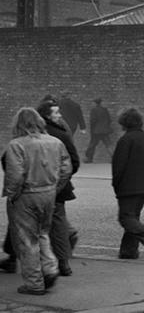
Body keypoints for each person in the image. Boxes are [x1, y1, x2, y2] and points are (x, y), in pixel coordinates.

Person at [2, 107, 71, 296]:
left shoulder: (17, 144)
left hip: (26, 195)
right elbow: (66, 169)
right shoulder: (55, 142)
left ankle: (34, 283)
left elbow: (15, 175)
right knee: (43, 234)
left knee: (26, 240)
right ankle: (50, 269)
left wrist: (11, 194)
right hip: (48, 193)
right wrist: (54, 187)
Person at [111, 108, 144, 260]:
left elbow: (118, 166)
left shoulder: (126, 140)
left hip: (128, 185)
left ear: (124, 122)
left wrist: (116, 184)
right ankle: (129, 251)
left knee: (125, 218)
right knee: (133, 217)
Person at [36, 100, 80, 276]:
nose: (59, 115)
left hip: (36, 187)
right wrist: (61, 181)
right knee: (58, 224)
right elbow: (73, 162)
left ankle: (18, 259)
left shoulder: (34, 133)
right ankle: (63, 263)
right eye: (56, 113)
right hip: (57, 188)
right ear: (47, 115)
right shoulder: (61, 134)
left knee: (28, 222)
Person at [85, 97, 114, 163]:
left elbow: (93, 121)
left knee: (92, 145)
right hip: (105, 131)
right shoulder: (105, 110)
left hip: (96, 131)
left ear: (95, 103)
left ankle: (89, 159)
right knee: (108, 145)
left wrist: (92, 130)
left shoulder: (94, 110)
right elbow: (109, 120)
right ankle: (114, 158)